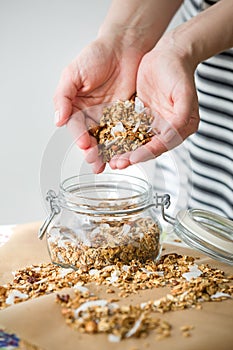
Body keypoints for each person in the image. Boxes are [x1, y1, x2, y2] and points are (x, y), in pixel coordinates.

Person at [53, 0, 233, 219]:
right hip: (194, 64)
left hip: (197, 48)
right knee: (201, 209)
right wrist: (122, 39)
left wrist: (180, 46)